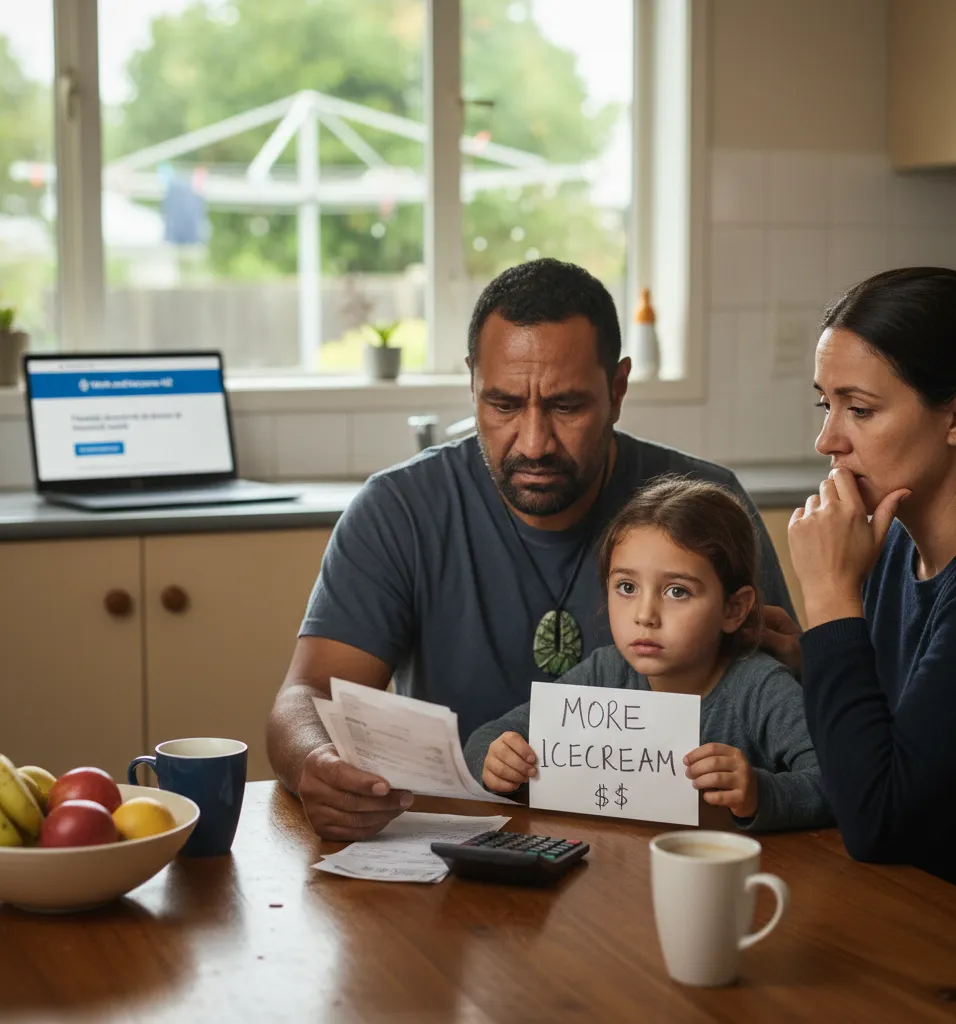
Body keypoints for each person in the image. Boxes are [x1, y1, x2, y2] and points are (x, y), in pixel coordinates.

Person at [267, 258, 795, 842]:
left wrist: (806, 663)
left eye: (567, 407)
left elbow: (789, 700)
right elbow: (307, 695)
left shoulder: (708, 506)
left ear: (617, 390)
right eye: (504, 405)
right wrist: (315, 762)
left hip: (674, 851)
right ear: (472, 382)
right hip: (460, 850)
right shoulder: (400, 509)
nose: (535, 441)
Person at [785, 267, 956, 915]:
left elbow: (879, 821)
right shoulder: (893, 542)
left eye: (859, 409)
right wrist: (810, 650)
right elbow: (870, 750)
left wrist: (831, 598)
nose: (828, 440)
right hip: (911, 908)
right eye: (825, 404)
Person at [464, 477, 831, 832]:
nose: (644, 615)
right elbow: (490, 735)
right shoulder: (605, 672)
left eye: (677, 591)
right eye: (626, 587)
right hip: (619, 870)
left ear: (733, 609)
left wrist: (759, 792)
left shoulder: (760, 688)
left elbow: (834, 785)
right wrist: (495, 759)